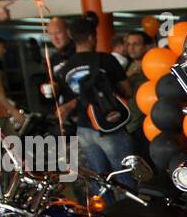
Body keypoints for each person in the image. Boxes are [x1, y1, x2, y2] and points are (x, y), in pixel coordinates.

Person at [55, 12, 133, 178]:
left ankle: (107, 204)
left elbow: (70, 101)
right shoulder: (106, 60)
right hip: (110, 125)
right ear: (92, 37)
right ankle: (128, 204)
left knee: (99, 178)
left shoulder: (65, 69)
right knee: (124, 175)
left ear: (71, 37)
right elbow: (127, 91)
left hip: (83, 129)